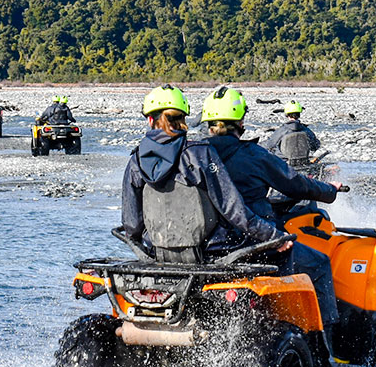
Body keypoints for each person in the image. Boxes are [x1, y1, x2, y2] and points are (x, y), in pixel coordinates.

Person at [199, 86, 340, 335]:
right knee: (319, 263)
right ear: (240, 121)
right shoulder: (253, 155)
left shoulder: (193, 155)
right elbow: (298, 184)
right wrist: (329, 190)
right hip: (254, 245)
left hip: (206, 247)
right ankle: (323, 344)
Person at [120, 85, 281, 258]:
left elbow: (132, 224)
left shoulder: (135, 160)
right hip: (211, 251)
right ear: (183, 118)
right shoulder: (198, 153)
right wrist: (273, 236)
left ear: (150, 120)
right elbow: (232, 207)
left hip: (157, 252)